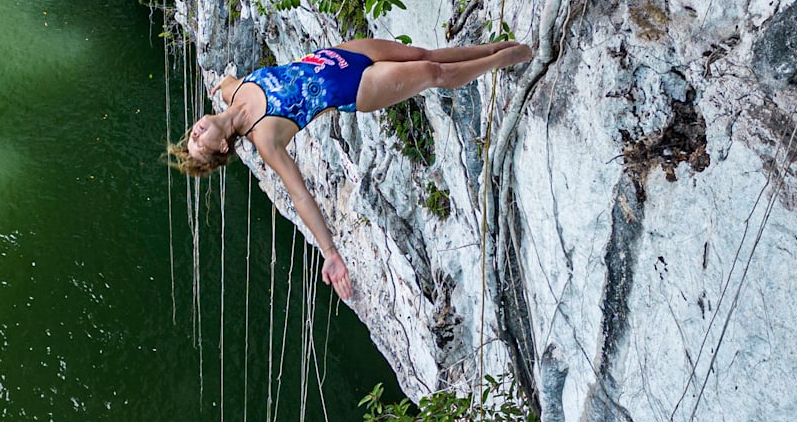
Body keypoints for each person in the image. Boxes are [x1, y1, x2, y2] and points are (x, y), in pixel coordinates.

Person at [168, 38, 533, 300]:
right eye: (199, 145)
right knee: (432, 72)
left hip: (339, 55)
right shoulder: (265, 139)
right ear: (221, 147)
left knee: (425, 53)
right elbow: (299, 194)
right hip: (355, 89)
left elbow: (235, 85)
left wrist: (228, 83)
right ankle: (505, 59)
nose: (195, 135)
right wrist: (330, 252)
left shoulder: (233, 92)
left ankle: (496, 47)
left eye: (191, 137)